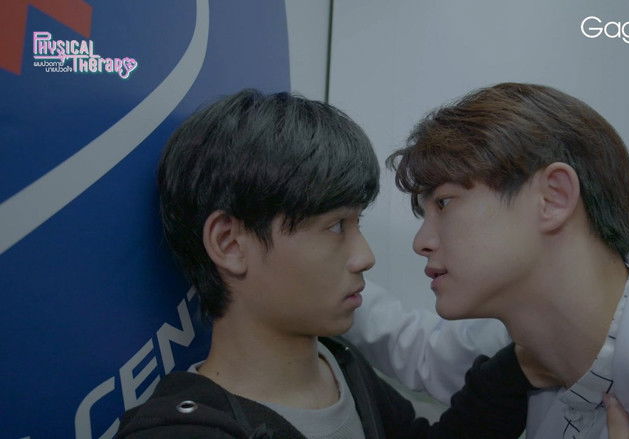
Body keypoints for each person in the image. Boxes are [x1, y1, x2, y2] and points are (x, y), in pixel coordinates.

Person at [344, 82, 629, 438]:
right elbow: (419, 348)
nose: (421, 242)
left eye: (444, 203)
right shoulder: (529, 341)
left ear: (553, 198)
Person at [116, 89, 533, 438]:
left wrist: (514, 371)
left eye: (357, 222)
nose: (365, 256)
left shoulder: (342, 367)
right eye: (335, 226)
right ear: (230, 244)